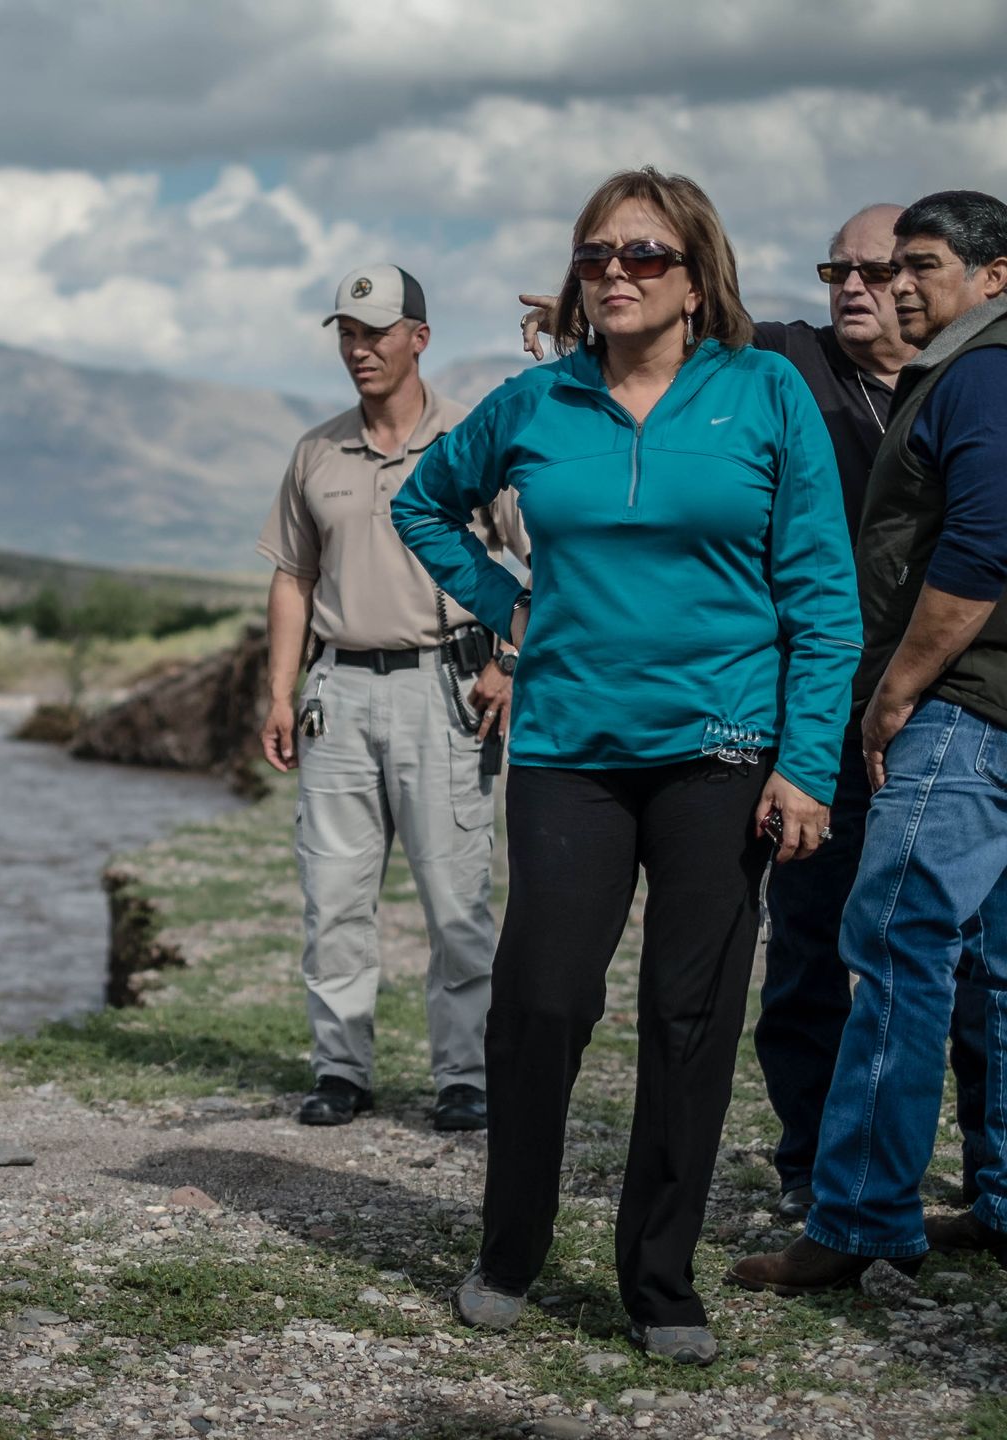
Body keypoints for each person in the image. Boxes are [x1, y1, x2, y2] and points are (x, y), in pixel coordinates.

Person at [392, 167, 859, 1363]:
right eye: (598, 254)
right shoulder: (536, 401)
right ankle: (510, 1248)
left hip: (723, 753)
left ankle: (659, 1280)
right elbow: (427, 506)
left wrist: (805, 765)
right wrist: (512, 609)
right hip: (570, 749)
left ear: (697, 279)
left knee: (689, 1015)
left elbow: (822, 592)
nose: (614, 272)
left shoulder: (764, 394)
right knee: (542, 1001)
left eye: (643, 255)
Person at [523, 206, 991, 1222]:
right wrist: (577, 323)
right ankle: (811, 1163)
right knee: (813, 945)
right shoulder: (790, 364)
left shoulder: (963, 383)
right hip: (813, 714)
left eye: (890, 268)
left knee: (968, 957)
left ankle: (980, 1181)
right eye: (840, 270)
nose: (862, 287)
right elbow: (671, 345)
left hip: (942, 705)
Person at [731, 190, 1007, 1294]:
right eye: (886, 269)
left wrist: (893, 692)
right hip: (990, 710)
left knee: (892, 951)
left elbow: (982, 549)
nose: (896, 285)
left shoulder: (978, 374)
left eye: (921, 266)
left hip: (956, 711)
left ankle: (858, 1217)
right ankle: (996, 1201)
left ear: (994, 274)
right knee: (992, 968)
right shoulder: (947, 365)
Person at [257, 263, 529, 1134]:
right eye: (346, 331)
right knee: (333, 895)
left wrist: (512, 657)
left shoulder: (472, 440)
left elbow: (549, 553)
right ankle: (340, 1070)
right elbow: (293, 581)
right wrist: (279, 692)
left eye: (375, 331)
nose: (358, 348)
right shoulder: (317, 450)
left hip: (444, 690)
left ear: (419, 336)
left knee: (455, 902)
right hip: (337, 692)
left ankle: (464, 1077)